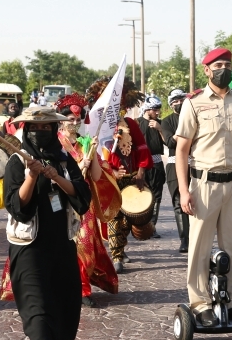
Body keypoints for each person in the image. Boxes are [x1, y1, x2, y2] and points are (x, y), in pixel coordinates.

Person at [2, 106, 91, 340]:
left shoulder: (65, 161)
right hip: (29, 248)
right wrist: (31, 176)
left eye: (46, 128)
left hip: (61, 244)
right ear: (25, 130)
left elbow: (82, 197)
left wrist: (56, 176)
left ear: (54, 131)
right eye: (34, 128)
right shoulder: (17, 161)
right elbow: (16, 206)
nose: (39, 133)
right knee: (37, 307)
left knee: (63, 305)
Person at [174, 48, 232, 328]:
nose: (224, 69)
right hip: (203, 184)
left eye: (228, 64)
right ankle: (200, 304)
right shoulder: (194, 103)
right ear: (207, 70)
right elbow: (181, 150)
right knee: (199, 247)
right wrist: (184, 190)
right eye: (218, 65)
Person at [56, 93, 121, 306]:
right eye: (69, 120)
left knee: (85, 245)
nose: (74, 123)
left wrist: (91, 156)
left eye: (77, 120)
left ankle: (83, 288)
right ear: (61, 120)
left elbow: (95, 176)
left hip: (85, 203)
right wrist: (77, 168)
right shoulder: (55, 144)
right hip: (60, 202)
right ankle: (71, 287)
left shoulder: (86, 143)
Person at [85, 77, 152, 274]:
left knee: (127, 219)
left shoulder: (130, 123)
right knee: (115, 218)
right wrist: (112, 171)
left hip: (131, 178)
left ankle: (120, 248)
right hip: (109, 179)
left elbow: (141, 148)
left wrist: (140, 172)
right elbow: (93, 155)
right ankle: (116, 255)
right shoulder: (95, 128)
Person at [160, 89, 189, 253]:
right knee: (179, 203)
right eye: (176, 101)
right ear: (171, 104)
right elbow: (170, 143)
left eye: (182, 99)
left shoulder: (195, 117)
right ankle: (184, 239)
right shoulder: (167, 121)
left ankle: (197, 237)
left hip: (195, 165)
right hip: (174, 166)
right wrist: (184, 128)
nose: (179, 103)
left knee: (198, 203)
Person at [136, 95, 166, 239]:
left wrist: (160, 129)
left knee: (157, 197)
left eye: (158, 109)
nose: (157, 112)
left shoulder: (160, 123)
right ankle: (139, 226)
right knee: (141, 195)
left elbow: (169, 143)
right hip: (141, 166)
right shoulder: (137, 123)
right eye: (155, 110)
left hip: (157, 164)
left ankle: (152, 227)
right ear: (148, 110)